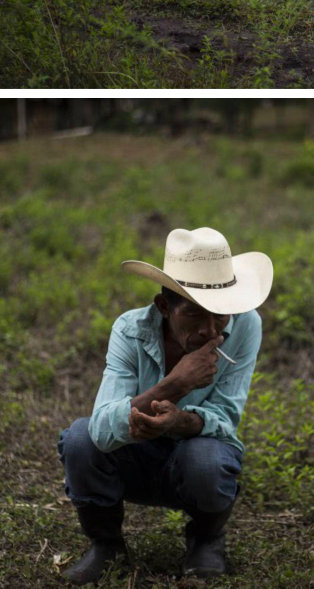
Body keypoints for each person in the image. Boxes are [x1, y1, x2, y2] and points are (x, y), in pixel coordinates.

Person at [57, 227, 274, 584]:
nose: (210, 329)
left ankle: (206, 539)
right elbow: (101, 429)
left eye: (220, 314)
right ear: (163, 307)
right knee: (80, 440)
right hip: (134, 458)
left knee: (207, 459)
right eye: (194, 314)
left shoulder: (246, 324)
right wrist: (176, 384)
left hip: (193, 458)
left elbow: (224, 419)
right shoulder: (130, 330)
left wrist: (175, 422)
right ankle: (106, 544)